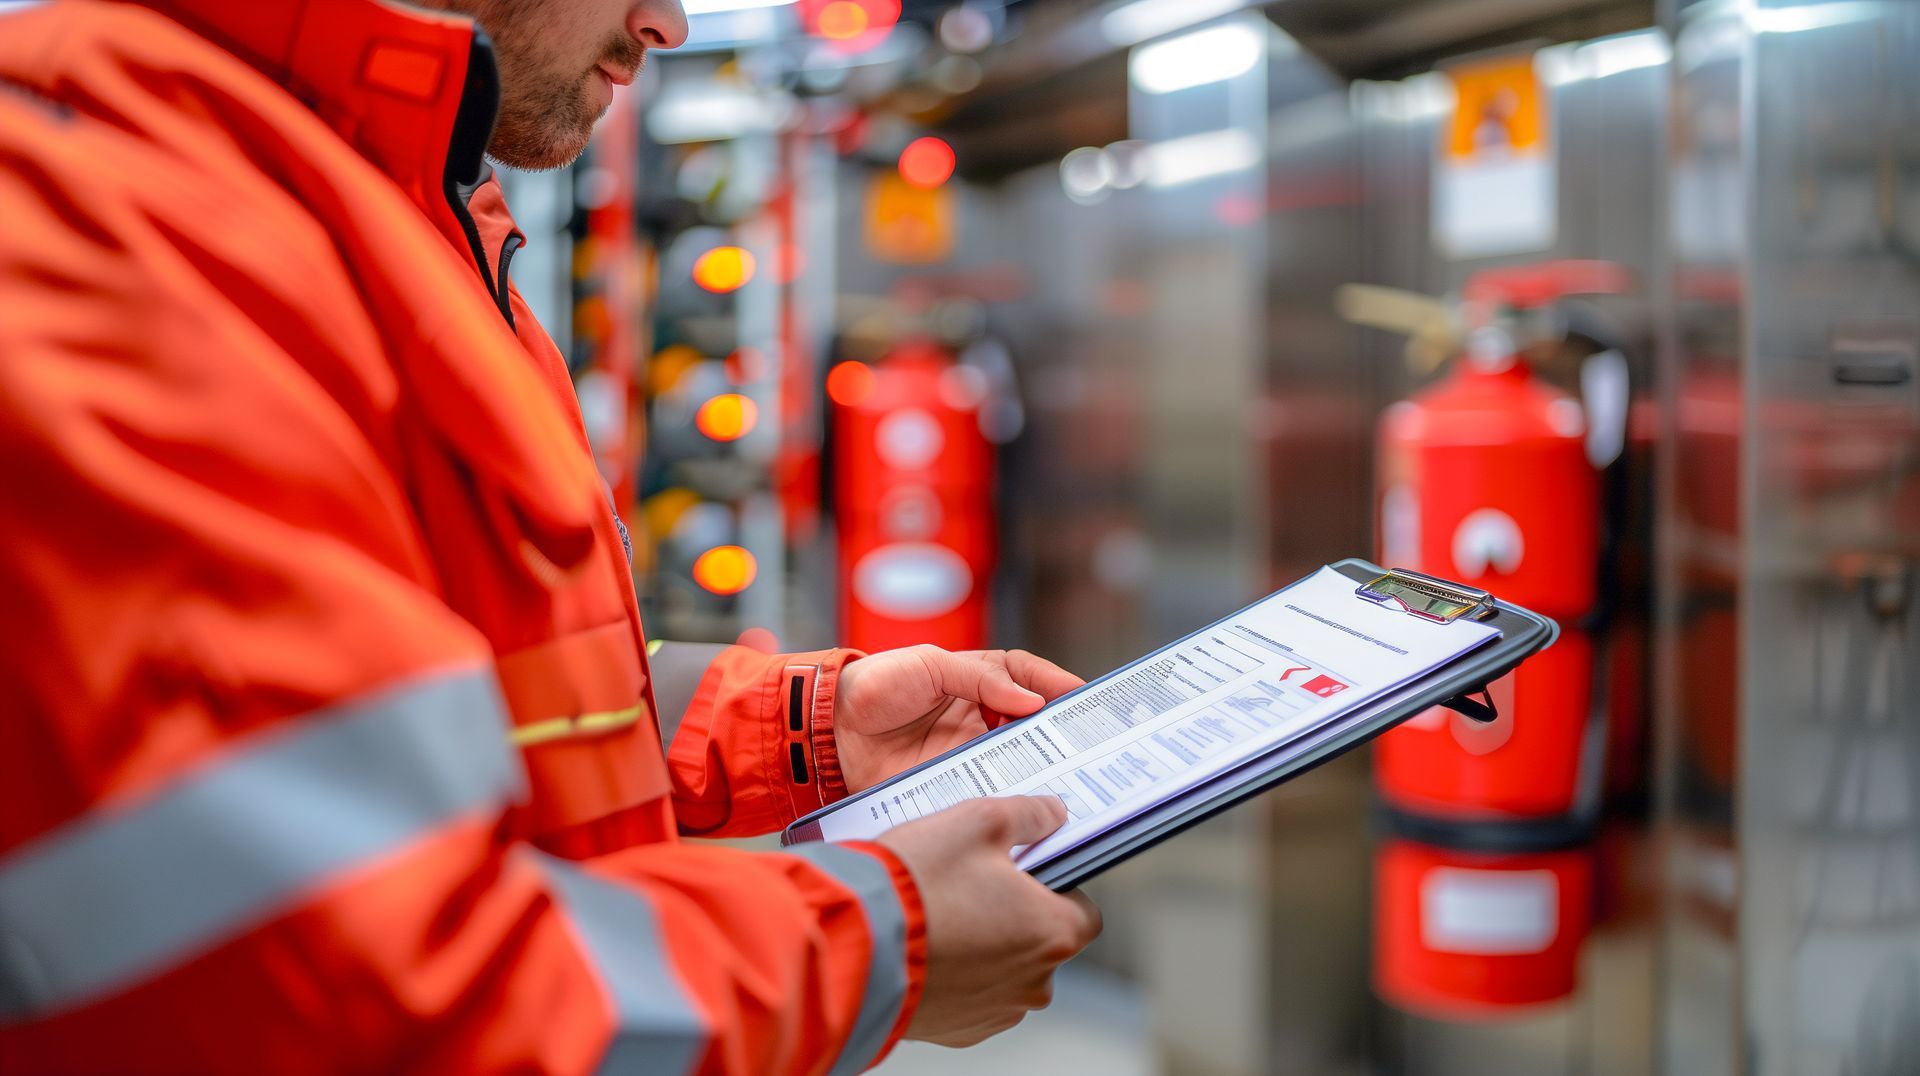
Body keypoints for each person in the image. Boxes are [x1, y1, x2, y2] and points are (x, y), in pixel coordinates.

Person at [0, 0, 1101, 1071]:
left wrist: (802, 731)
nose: (668, 23)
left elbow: (487, 688)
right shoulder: (99, 212)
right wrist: (873, 940)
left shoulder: (414, 209)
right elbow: (358, 995)